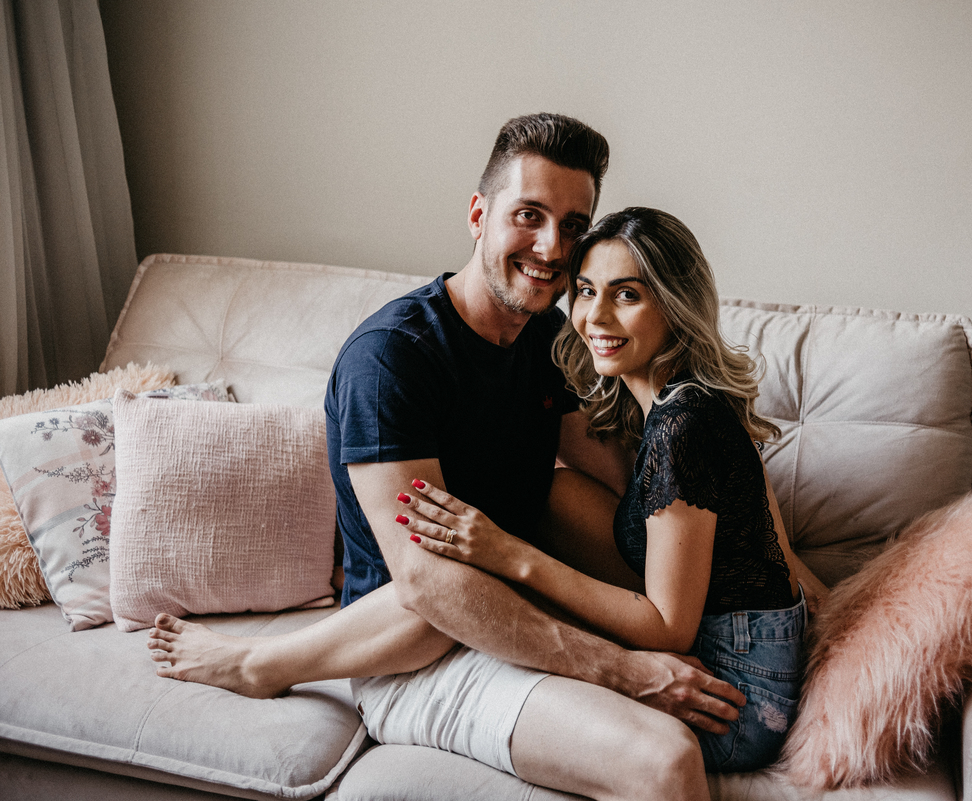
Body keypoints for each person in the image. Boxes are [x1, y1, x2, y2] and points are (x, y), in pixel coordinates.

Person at [146, 114, 743, 801]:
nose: (552, 247)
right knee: (664, 762)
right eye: (529, 215)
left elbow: (638, 481)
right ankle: (261, 665)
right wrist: (624, 668)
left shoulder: (546, 335)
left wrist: (791, 588)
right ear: (478, 216)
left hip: (517, 610)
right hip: (414, 648)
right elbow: (427, 585)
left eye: (573, 226)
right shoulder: (391, 359)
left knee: (569, 503)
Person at [401, 206, 830, 774]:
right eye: (585, 291)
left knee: (492, 640)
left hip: (735, 702)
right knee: (533, 534)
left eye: (626, 295)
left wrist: (511, 555)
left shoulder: (683, 425)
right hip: (743, 661)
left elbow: (669, 628)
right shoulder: (685, 401)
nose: (595, 317)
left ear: (674, 305)